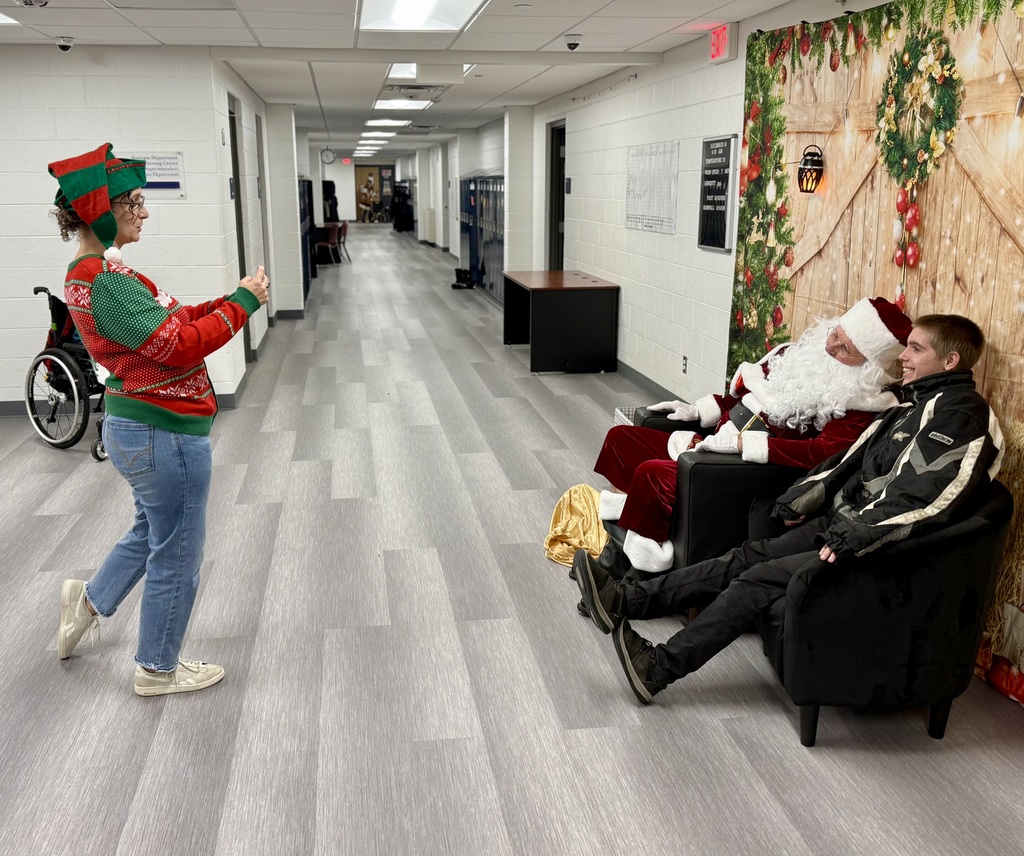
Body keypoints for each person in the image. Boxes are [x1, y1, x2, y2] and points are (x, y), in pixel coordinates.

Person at [574, 314, 1004, 704]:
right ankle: (623, 600)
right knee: (744, 556)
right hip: (843, 526)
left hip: (878, 550)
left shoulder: (963, 416)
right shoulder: (910, 405)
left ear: (949, 361)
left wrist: (856, 533)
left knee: (753, 580)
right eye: (906, 346)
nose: (904, 358)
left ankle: (657, 669)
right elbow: (848, 462)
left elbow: (932, 498)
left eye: (916, 349)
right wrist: (804, 497)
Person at [50, 143, 268, 696]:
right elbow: (180, 344)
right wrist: (242, 304)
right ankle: (156, 668)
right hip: (161, 432)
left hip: (140, 428)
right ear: (104, 211)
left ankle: (90, 599)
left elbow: (172, 318)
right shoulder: (105, 281)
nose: (143, 212)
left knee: (153, 529)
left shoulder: (97, 273)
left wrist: (232, 296)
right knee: (178, 553)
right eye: (134, 203)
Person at [590, 297, 913, 574]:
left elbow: (822, 454)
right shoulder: (797, 357)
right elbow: (749, 399)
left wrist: (747, 445)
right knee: (621, 439)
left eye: (846, 349)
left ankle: (628, 566)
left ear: (867, 366)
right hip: (712, 443)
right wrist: (702, 410)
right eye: (836, 334)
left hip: (739, 469)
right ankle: (622, 536)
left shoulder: (859, 403)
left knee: (652, 474)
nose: (831, 347)